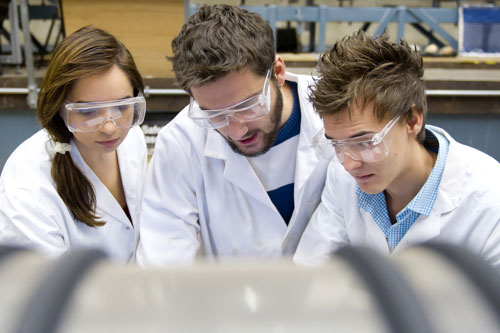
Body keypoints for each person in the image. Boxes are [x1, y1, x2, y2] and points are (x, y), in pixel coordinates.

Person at [137, 4, 329, 266]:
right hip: (231, 303)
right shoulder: (181, 142)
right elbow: (162, 262)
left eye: (248, 106)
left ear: (278, 72)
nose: (237, 130)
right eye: (214, 115)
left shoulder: (335, 114)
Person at [294, 31, 500, 269]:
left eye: (364, 142)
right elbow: (313, 277)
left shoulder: (490, 201)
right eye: (337, 145)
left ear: (412, 121)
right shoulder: (342, 179)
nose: (349, 164)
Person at [0, 26, 147, 262]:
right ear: (59, 107)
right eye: (88, 111)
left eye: (122, 107)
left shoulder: (133, 140)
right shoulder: (28, 180)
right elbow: (47, 285)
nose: (110, 127)